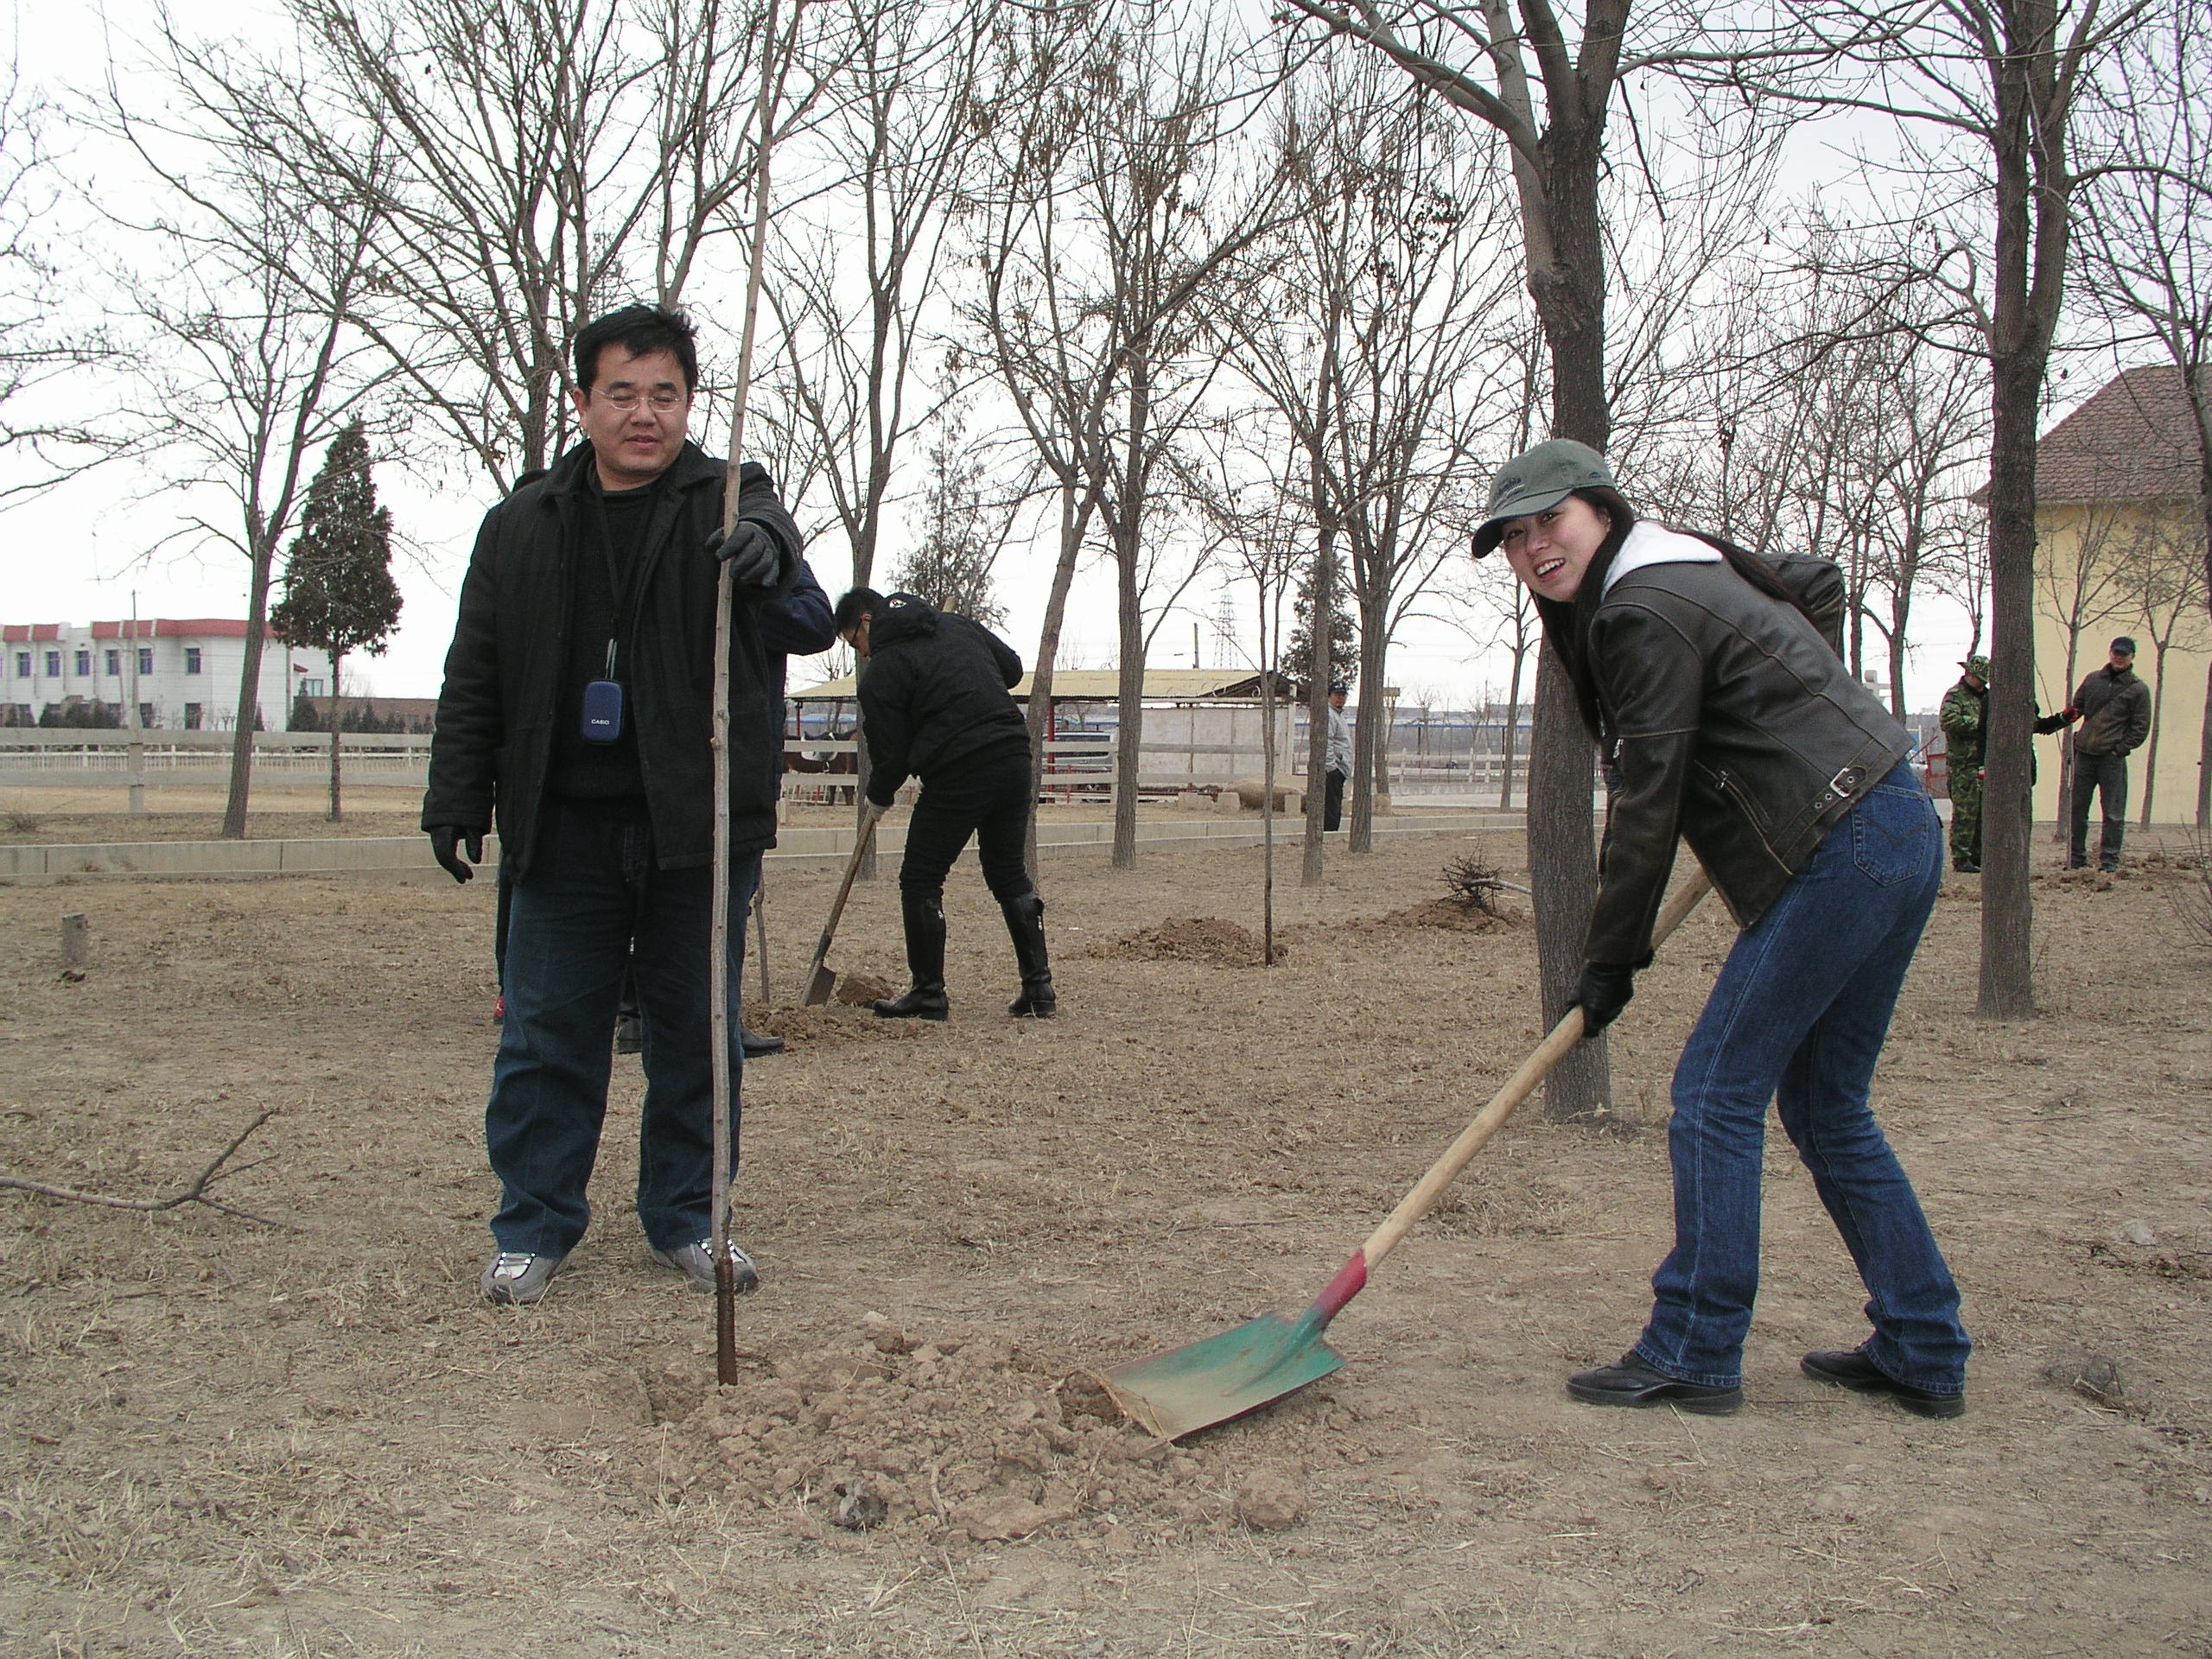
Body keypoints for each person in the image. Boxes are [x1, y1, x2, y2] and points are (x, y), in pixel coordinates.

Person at [1471, 437, 1970, 1419]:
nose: (1535, 550)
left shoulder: (1641, 610)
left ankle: (1697, 1345)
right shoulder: (1682, 559)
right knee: (1826, 1107)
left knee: (1713, 1093)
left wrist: (1610, 960)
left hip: (1846, 845)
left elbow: (1647, 800)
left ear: (1599, 510)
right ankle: (1923, 1340)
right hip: (1893, 822)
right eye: (1516, 539)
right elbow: (1816, 586)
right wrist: (1790, 723)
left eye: (1550, 524)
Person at [423, 303, 835, 1307]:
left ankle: (689, 1217)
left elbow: (811, 621)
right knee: (546, 1039)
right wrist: (455, 791)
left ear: (690, 403)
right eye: (622, 393)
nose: (643, 414)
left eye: (664, 394)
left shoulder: (738, 502)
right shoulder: (522, 522)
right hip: (561, 828)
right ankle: (534, 1223)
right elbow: (475, 666)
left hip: (697, 831)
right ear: (582, 401)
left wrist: (768, 561)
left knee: (698, 1039)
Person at [834, 588, 1055, 1020]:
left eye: (852, 641)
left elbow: (892, 755)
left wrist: (877, 798)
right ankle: (1039, 989)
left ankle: (928, 993)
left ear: (865, 621)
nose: (860, 653)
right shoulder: (954, 626)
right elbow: (1010, 669)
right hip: (1012, 754)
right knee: (1008, 871)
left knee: (920, 877)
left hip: (958, 767)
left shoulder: (883, 671)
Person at [2059, 636, 2151, 872]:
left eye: (2124, 654)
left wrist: (2120, 749)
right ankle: (2075, 859)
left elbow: (2140, 728)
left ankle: (2109, 862)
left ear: (2132, 657)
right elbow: (2075, 709)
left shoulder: (2138, 690)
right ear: (2109, 653)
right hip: (2085, 755)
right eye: (2116, 653)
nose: (2119, 658)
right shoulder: (2092, 680)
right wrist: (2055, 723)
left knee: (2112, 812)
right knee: (2078, 808)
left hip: (2112, 758)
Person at [1938, 656, 1989, 873]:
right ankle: (1961, 857)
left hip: (1983, 762)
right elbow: (1948, 721)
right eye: (1979, 679)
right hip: (1962, 764)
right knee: (1966, 811)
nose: (1982, 684)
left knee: (1982, 811)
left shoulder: (1986, 697)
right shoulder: (1955, 696)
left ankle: (1978, 854)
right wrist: (1979, 724)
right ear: (1969, 675)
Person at [1324, 683, 1351, 832]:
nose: (1340, 698)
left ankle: (1332, 832)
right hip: (1333, 770)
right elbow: (1327, 740)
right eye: (1337, 695)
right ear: (1329, 696)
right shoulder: (1329, 715)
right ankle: (1329, 835)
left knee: (1336, 806)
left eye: (1343, 695)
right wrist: (1331, 767)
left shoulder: (1339, 716)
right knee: (1331, 807)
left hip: (1341, 769)